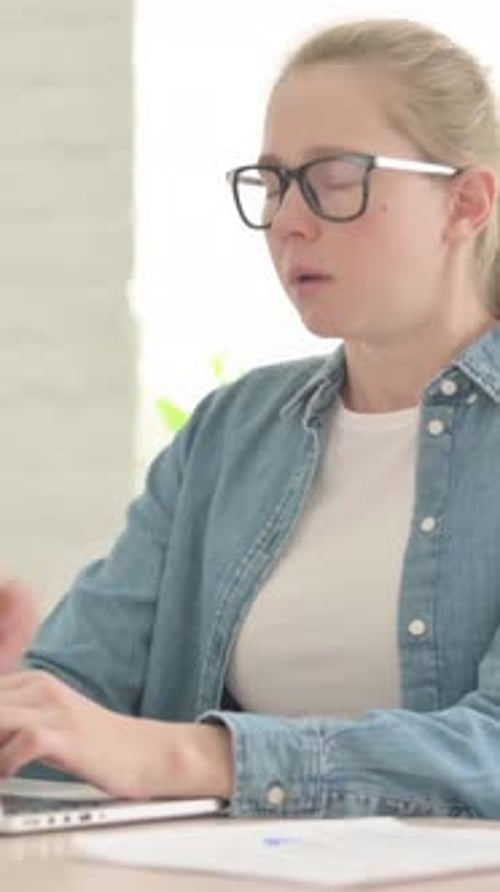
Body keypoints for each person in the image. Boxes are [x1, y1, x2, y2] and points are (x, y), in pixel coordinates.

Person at [1, 16, 500, 819]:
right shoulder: (231, 433)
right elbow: (74, 700)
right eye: (272, 184)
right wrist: (21, 709)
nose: (287, 221)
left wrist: (193, 754)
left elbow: (493, 748)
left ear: (466, 203)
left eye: (335, 180)